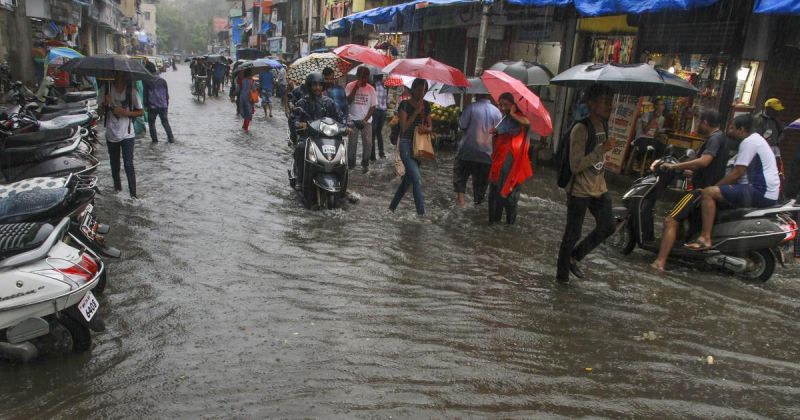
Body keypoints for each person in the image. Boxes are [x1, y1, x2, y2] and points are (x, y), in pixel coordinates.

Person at [686, 114, 781, 250]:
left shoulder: (748, 142)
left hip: (760, 190)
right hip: (765, 191)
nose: (728, 131)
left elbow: (737, 173)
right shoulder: (756, 140)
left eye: (731, 128)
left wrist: (715, 186)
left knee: (708, 193)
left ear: (741, 129)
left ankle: (705, 238)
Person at [650, 109, 728, 270]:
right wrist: (683, 170)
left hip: (699, 191)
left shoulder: (714, 138)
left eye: (700, 122)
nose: (698, 125)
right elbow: (707, 167)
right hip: (706, 187)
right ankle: (675, 254)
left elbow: (704, 161)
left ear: (705, 122)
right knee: (680, 221)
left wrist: (674, 165)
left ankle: (660, 262)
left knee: (670, 220)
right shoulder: (719, 137)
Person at [555, 84, 616, 283]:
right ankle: (561, 279)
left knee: (608, 226)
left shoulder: (604, 126)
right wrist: (601, 150)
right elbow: (576, 165)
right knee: (572, 234)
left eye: (610, 101)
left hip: (599, 188)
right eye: (604, 101)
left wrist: (606, 151)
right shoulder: (581, 129)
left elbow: (599, 159)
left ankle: (575, 256)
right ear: (591, 103)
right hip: (579, 190)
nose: (609, 105)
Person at [487, 93, 532, 224]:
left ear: (513, 106)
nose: (501, 107)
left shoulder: (519, 118)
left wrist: (513, 114)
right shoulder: (503, 119)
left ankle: (508, 224)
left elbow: (527, 123)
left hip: (512, 163)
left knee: (509, 195)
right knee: (495, 191)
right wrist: (496, 133)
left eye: (505, 105)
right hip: (499, 161)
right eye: (500, 104)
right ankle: (494, 223)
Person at [389, 78, 431, 216]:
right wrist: (415, 113)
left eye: (424, 90)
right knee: (417, 179)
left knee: (407, 181)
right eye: (419, 90)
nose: (421, 93)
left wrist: (426, 128)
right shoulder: (404, 105)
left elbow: (431, 127)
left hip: (418, 146)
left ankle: (391, 209)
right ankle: (421, 215)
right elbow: (404, 128)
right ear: (413, 89)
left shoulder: (426, 105)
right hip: (406, 144)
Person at [292, 72, 344, 184]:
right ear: (309, 86)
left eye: (320, 85)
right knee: (301, 148)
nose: (317, 87)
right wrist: (300, 124)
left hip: (327, 138)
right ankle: (300, 179)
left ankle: (342, 181)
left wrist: (347, 126)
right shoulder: (302, 102)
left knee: (342, 149)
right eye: (314, 85)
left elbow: (340, 118)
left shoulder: (329, 102)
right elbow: (294, 119)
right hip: (308, 137)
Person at [101, 72, 144, 198]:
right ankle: (117, 189)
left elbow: (141, 112)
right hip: (111, 133)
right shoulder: (105, 90)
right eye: (118, 75)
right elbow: (99, 113)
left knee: (128, 164)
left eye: (123, 76)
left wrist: (126, 113)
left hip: (128, 134)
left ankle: (133, 195)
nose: (120, 78)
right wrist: (104, 103)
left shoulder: (132, 91)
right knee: (114, 164)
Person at [454, 94, 502, 208]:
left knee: (460, 175)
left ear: (476, 95)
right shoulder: (497, 112)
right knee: (481, 183)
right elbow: (499, 132)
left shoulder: (470, 107)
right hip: (487, 154)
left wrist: (459, 116)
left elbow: (462, 125)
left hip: (467, 151)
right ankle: (478, 203)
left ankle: (461, 201)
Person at [345, 66, 378, 173]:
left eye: (365, 77)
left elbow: (373, 106)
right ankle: (351, 166)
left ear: (368, 77)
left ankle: (365, 164)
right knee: (352, 145)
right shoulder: (350, 86)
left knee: (368, 143)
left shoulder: (371, 89)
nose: (364, 79)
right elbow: (347, 102)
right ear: (357, 76)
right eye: (361, 77)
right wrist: (355, 88)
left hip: (366, 121)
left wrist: (365, 119)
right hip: (352, 119)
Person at [630, 98, 667, 168]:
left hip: (651, 139)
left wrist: (660, 135)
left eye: (663, 105)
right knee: (645, 143)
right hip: (641, 137)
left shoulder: (662, 118)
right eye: (661, 104)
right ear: (656, 106)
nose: (663, 106)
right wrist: (654, 118)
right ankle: (637, 160)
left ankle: (654, 165)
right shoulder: (647, 114)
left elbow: (655, 133)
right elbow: (645, 131)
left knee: (663, 147)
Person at [143, 62, 174, 143]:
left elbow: (145, 95)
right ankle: (171, 139)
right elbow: (166, 95)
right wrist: (166, 105)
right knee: (165, 122)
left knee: (151, 124)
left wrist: (145, 105)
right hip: (163, 106)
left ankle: (154, 141)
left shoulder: (147, 81)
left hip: (152, 106)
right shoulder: (163, 80)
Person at [371, 74, 389, 160]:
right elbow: (387, 101)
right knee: (378, 133)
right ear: (381, 77)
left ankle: (373, 155)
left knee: (373, 133)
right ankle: (381, 154)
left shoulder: (373, 86)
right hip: (381, 112)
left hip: (377, 111)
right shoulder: (385, 87)